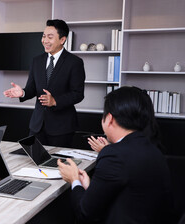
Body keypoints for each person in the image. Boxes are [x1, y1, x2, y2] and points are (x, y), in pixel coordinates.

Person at [57, 86, 173, 223]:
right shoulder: (153, 149)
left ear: (110, 118)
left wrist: (74, 180)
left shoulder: (114, 155)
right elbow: (127, 194)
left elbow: (85, 213)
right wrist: (89, 188)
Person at [3, 19, 85, 147]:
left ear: (62, 39)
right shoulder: (37, 61)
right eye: (43, 36)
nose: (45, 40)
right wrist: (23, 92)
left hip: (62, 128)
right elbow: (32, 88)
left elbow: (78, 94)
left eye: (50, 37)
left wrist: (55, 101)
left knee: (56, 165)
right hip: (37, 126)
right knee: (34, 164)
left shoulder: (74, 62)